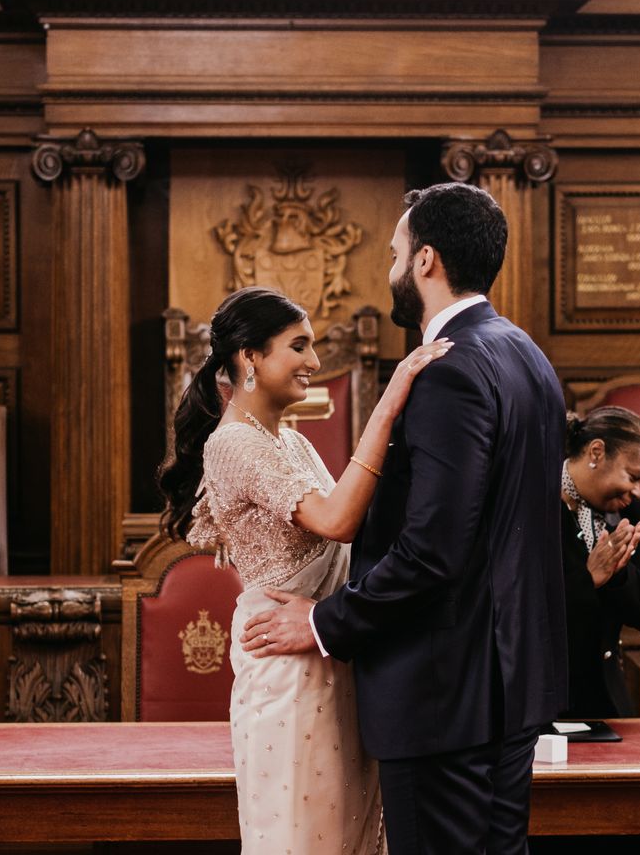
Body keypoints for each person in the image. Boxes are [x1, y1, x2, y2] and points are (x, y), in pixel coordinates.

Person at [241, 182, 569, 855]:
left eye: (394, 253)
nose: (389, 270)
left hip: (444, 693)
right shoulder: (526, 356)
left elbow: (433, 551)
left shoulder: (451, 367)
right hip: (510, 687)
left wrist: (322, 622)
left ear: (425, 261)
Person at [158, 285, 452, 855]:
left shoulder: (290, 443)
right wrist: (389, 404)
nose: (315, 362)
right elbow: (338, 520)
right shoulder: (233, 446)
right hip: (287, 674)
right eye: (299, 345)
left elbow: (355, 532)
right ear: (249, 357)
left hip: (330, 652)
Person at [559, 405, 640, 718]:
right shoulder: (533, 499)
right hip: (545, 700)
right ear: (596, 452)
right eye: (634, 477)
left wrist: (619, 575)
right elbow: (518, 608)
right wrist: (588, 579)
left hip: (605, 700)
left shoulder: (629, 511)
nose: (637, 492)